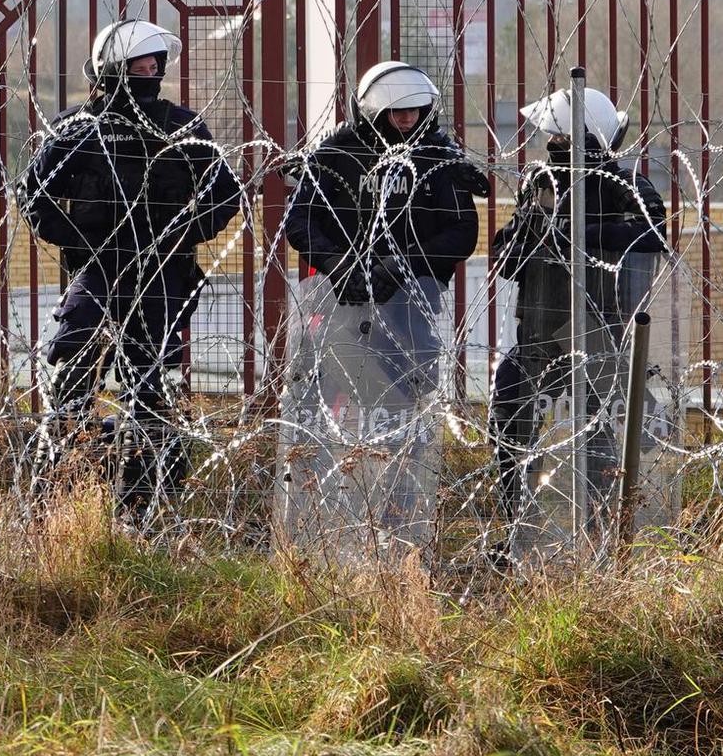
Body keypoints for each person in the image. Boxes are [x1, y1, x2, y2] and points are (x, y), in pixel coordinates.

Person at [19, 19, 242, 523]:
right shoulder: (81, 125)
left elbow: (224, 193)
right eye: (139, 64)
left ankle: (147, 496)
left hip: (163, 269)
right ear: (113, 69)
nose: (151, 72)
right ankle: (73, 475)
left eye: (155, 64)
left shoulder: (180, 125)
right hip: (98, 268)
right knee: (71, 362)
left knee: (149, 381)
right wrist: (80, 238)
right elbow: (34, 191)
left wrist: (180, 235)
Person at [489, 82, 665, 523]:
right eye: (551, 137)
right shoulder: (541, 185)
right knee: (509, 411)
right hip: (540, 334)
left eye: (561, 138)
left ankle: (602, 529)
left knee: (603, 438)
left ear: (588, 139)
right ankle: (516, 517)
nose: (551, 144)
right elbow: (506, 260)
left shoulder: (622, 186)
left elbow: (655, 232)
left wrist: (581, 236)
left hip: (599, 333)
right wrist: (528, 229)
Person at [285, 60, 488, 395]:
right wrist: (337, 263)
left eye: (415, 110)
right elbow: (299, 220)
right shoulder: (338, 151)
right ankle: (317, 442)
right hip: (339, 289)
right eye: (397, 111)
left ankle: (405, 440)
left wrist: (402, 265)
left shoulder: (438, 156)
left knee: (407, 381)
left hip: (411, 293)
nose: (408, 119)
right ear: (374, 112)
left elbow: (462, 232)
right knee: (319, 373)